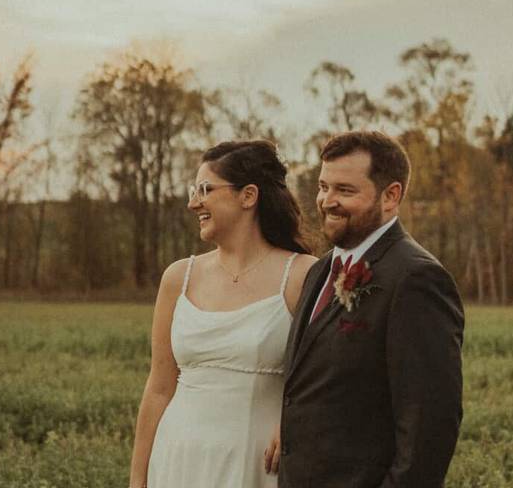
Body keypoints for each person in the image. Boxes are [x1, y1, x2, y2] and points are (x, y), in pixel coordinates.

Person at [278, 131, 465, 488]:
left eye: (344, 191)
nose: (326, 201)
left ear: (391, 196)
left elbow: (429, 425)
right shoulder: (320, 270)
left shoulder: (416, 279)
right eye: (323, 186)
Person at [129, 140, 318, 488]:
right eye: (193, 190)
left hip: (256, 462)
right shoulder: (177, 278)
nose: (192, 202)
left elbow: (329, 378)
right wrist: (138, 479)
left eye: (205, 189)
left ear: (248, 196)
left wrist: (294, 422)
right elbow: (159, 387)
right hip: (177, 459)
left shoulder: (303, 276)